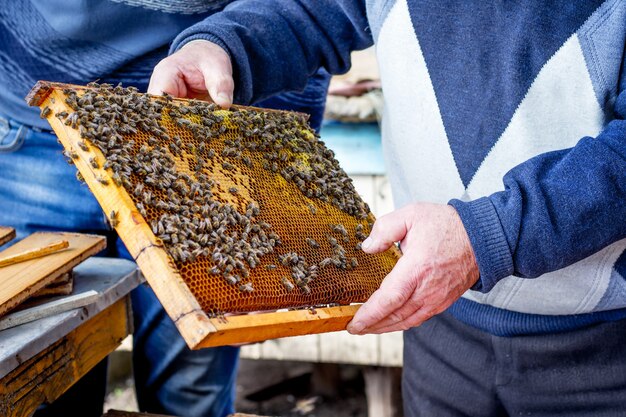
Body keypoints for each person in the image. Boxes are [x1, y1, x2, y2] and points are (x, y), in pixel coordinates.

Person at [147, 1, 626, 415]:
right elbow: (313, 10)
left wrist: (489, 235)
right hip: (438, 332)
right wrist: (224, 44)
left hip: (603, 355)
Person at [0, 2, 329, 416]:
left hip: (206, 138)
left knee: (189, 393)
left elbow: (313, 11)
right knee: (38, 376)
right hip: (33, 127)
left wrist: (272, 187)